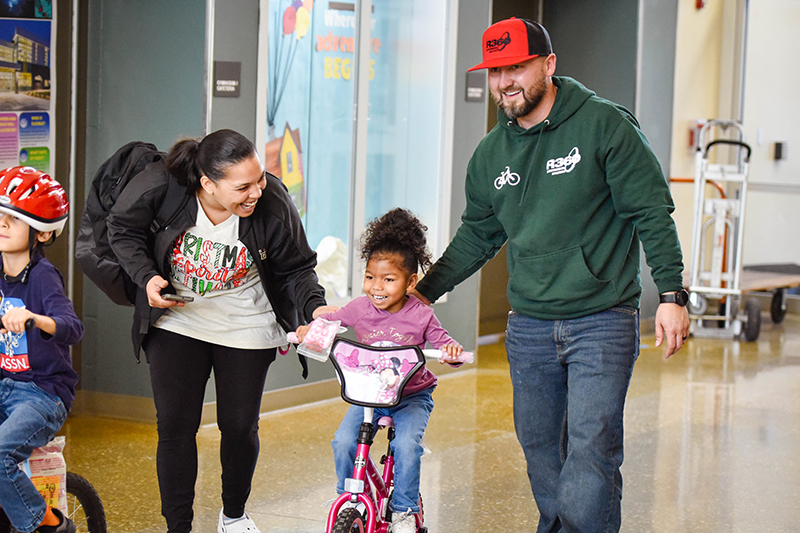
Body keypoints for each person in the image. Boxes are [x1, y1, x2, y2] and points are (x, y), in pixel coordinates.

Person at [412, 18, 690, 533]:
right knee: (540, 448)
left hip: (602, 318)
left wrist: (672, 292)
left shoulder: (604, 125)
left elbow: (651, 210)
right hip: (530, 325)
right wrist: (423, 293)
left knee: (591, 447)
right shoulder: (491, 153)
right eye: (495, 71)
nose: (504, 82)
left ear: (549, 65)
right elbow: (478, 233)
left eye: (516, 67)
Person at [106, 129, 327, 533]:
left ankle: (234, 514)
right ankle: (178, 526)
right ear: (207, 183)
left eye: (259, 179)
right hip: (179, 318)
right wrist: (147, 277)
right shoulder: (164, 186)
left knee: (239, 426)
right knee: (175, 424)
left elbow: (297, 267)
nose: (256, 191)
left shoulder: (272, 201)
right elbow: (121, 229)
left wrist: (316, 308)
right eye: (243, 186)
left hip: (247, 321)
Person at [295, 208, 463, 533]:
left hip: (411, 396)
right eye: (370, 277)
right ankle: (351, 498)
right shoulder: (359, 308)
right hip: (369, 395)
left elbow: (445, 345)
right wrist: (308, 329)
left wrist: (452, 352)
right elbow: (331, 321)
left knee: (406, 447)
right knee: (343, 442)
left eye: (389, 279)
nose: (377, 287)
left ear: (410, 281)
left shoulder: (421, 315)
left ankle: (404, 510)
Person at [0, 166, 83, 533]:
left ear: (42, 232)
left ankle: (48, 524)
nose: (2, 224)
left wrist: (35, 317)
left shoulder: (43, 276)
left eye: (14, 219)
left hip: (41, 393)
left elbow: (71, 327)